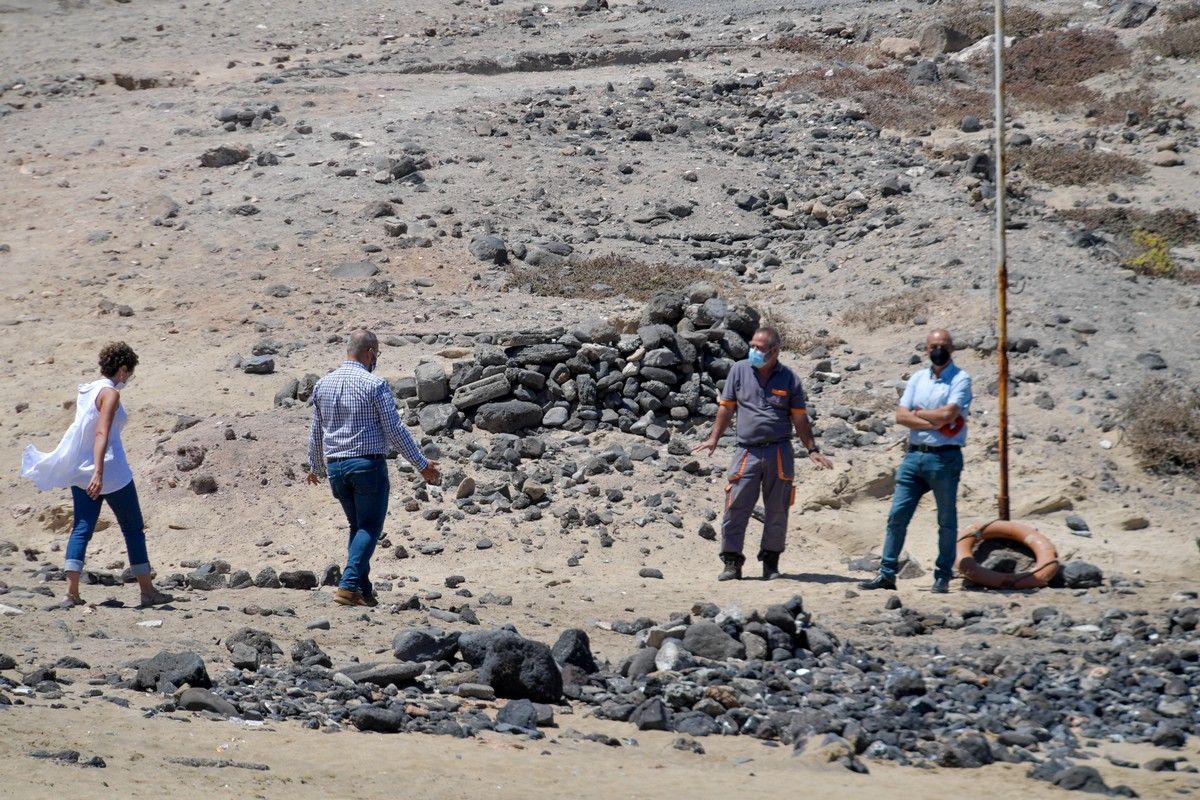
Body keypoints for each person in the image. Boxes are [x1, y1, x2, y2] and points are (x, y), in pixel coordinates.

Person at [21, 343, 173, 609]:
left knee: (81, 528)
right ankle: (147, 592)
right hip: (111, 472)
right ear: (123, 369)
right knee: (133, 529)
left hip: (81, 471)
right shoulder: (111, 394)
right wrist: (100, 473)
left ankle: (71, 593)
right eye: (130, 373)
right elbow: (101, 432)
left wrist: (91, 472)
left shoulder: (88, 389)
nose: (129, 379)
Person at [306, 330, 440, 607]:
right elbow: (394, 429)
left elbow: (316, 431)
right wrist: (421, 464)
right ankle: (348, 585)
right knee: (369, 527)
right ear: (369, 352)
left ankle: (363, 592)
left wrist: (315, 466)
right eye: (376, 354)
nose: (375, 359)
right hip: (367, 465)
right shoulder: (374, 384)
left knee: (357, 528)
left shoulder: (323, 385)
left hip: (336, 468)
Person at [693, 326, 833, 580]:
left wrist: (811, 449)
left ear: (775, 351)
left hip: (779, 452)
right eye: (752, 346)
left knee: (777, 510)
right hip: (747, 451)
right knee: (735, 507)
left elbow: (800, 418)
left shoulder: (789, 378)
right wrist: (714, 438)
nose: (754, 351)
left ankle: (771, 563)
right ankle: (732, 563)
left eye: (759, 347)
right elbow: (726, 409)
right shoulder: (739, 370)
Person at [860, 329, 972, 594]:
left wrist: (920, 415)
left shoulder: (961, 378)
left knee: (946, 520)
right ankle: (887, 573)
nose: (938, 349)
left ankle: (942, 575)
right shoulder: (918, 378)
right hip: (913, 456)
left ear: (952, 348)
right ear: (925, 349)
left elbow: (949, 414)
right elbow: (901, 416)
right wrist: (933, 420)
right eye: (933, 345)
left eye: (943, 345)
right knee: (897, 516)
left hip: (945, 457)